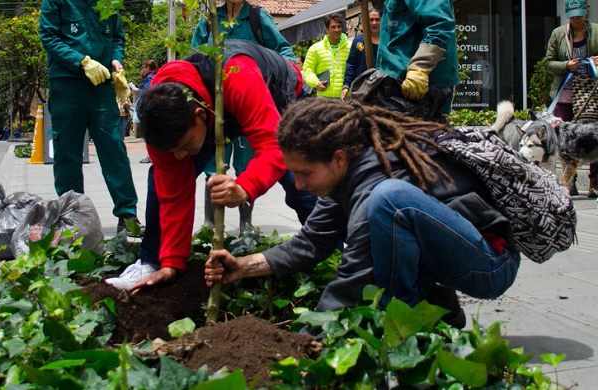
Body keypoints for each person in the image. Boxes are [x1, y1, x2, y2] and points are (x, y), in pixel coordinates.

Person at [205, 99, 521, 328]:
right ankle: (437, 307)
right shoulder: (346, 174)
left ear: (338, 158)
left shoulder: (373, 186)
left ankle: (402, 327)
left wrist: (308, 340)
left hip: (491, 263)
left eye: (305, 173)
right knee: (389, 209)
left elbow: (353, 279)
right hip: (451, 256)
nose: (298, 184)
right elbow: (312, 242)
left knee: (389, 201)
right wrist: (242, 267)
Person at [105, 41, 317, 292]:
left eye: (183, 145)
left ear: (201, 116)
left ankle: (329, 247)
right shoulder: (159, 115)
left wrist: (245, 188)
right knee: (161, 180)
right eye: (173, 149)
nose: (181, 156)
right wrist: (172, 262)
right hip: (212, 103)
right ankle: (152, 260)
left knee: (300, 177)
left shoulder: (238, 76)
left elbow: (273, 147)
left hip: (275, 88)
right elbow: (173, 193)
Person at [191, 0, 296, 232]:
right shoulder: (210, 19)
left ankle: (245, 224)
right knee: (213, 164)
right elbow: (194, 54)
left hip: (248, 101)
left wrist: (281, 77)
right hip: (215, 104)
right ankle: (210, 224)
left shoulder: (258, 17)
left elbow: (284, 50)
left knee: (247, 163)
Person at [39, 0, 141, 234]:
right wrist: (81, 61)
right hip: (67, 84)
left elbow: (117, 38)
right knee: (68, 152)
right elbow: (49, 38)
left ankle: (127, 215)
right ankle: (73, 217)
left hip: (101, 84)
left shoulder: (107, 3)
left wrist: (116, 59)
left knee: (113, 147)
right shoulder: (56, 2)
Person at [544, 0, 598, 197]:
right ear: (568, 15)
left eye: (580, 14)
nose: (577, 18)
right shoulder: (558, 34)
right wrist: (566, 65)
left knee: (592, 138)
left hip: (590, 94)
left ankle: (594, 182)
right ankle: (570, 183)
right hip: (565, 93)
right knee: (565, 142)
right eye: (573, 15)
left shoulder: (596, 31)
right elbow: (548, 62)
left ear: (586, 13)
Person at [375, 0, 459, 114]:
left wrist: (420, 67)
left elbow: (439, 26)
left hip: (419, 87)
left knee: (421, 130)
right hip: (394, 85)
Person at [302, 13, 350, 99]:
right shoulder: (315, 49)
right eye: (333, 27)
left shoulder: (351, 46)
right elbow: (307, 70)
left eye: (339, 26)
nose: (337, 30)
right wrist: (316, 83)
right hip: (324, 98)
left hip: (346, 97)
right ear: (326, 30)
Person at [341, 9, 381, 101]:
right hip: (362, 90)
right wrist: (346, 85)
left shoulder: (387, 40)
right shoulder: (357, 41)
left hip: (382, 89)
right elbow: (350, 64)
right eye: (371, 20)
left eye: (377, 19)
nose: (374, 23)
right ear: (366, 21)